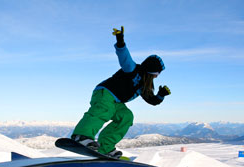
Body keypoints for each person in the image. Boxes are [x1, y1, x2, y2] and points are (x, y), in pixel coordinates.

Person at [70, 26, 170, 158]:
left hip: (116, 101)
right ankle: (81, 136)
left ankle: (105, 147)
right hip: (105, 93)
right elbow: (124, 57)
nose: (157, 76)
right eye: (157, 73)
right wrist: (120, 41)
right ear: (151, 71)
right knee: (105, 110)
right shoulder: (133, 70)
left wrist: (161, 95)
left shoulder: (143, 86)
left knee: (126, 116)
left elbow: (152, 100)